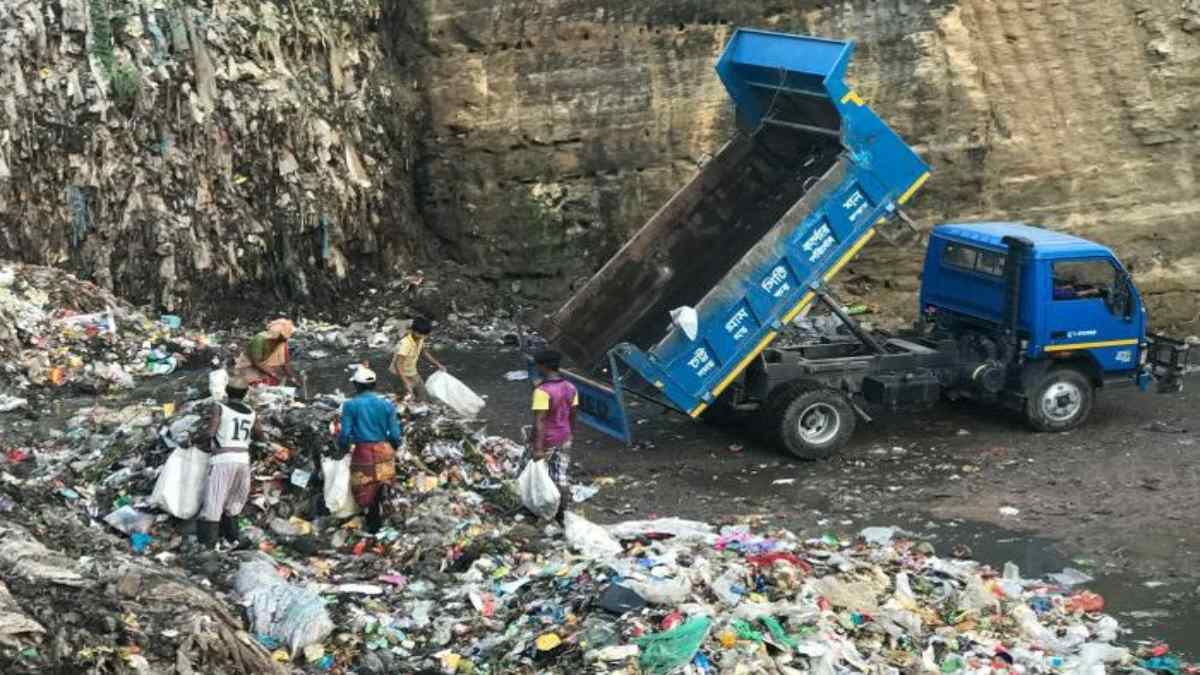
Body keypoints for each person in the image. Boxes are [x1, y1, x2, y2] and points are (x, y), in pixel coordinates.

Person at [196, 377, 264, 549]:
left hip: (223, 459)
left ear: (227, 391)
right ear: (245, 393)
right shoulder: (251, 412)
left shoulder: (220, 407)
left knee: (214, 499)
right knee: (234, 501)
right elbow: (259, 435)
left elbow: (211, 432)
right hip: (243, 460)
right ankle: (232, 538)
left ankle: (208, 544)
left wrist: (195, 440)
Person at [337, 366, 403, 533]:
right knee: (384, 484)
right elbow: (395, 434)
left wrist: (343, 448)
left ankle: (372, 523)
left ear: (357, 386)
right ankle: (386, 521)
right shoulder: (387, 405)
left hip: (363, 452)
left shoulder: (350, 405)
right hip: (384, 449)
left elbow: (345, 434)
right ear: (374, 385)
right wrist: (392, 448)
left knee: (365, 487)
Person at [529, 349, 578, 525]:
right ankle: (563, 513)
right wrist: (570, 433)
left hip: (546, 440)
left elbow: (540, 421)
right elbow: (573, 413)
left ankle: (538, 509)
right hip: (564, 437)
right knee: (560, 476)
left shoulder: (542, 392)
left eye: (537, 365)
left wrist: (538, 448)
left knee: (532, 474)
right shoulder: (570, 387)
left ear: (543, 366)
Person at [234, 318, 304, 386]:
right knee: (255, 384)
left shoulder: (282, 342)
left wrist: (293, 378)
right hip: (248, 366)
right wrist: (273, 374)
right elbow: (257, 362)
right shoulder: (259, 339)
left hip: (265, 367)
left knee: (277, 380)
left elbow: (285, 363)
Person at [389, 317, 445, 401]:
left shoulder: (419, 339)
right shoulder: (405, 344)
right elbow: (398, 364)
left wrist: (437, 364)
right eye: (421, 334)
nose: (423, 337)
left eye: (425, 335)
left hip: (412, 372)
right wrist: (406, 381)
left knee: (422, 393)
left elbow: (423, 352)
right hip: (399, 374)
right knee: (407, 398)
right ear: (413, 331)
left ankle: (421, 405)